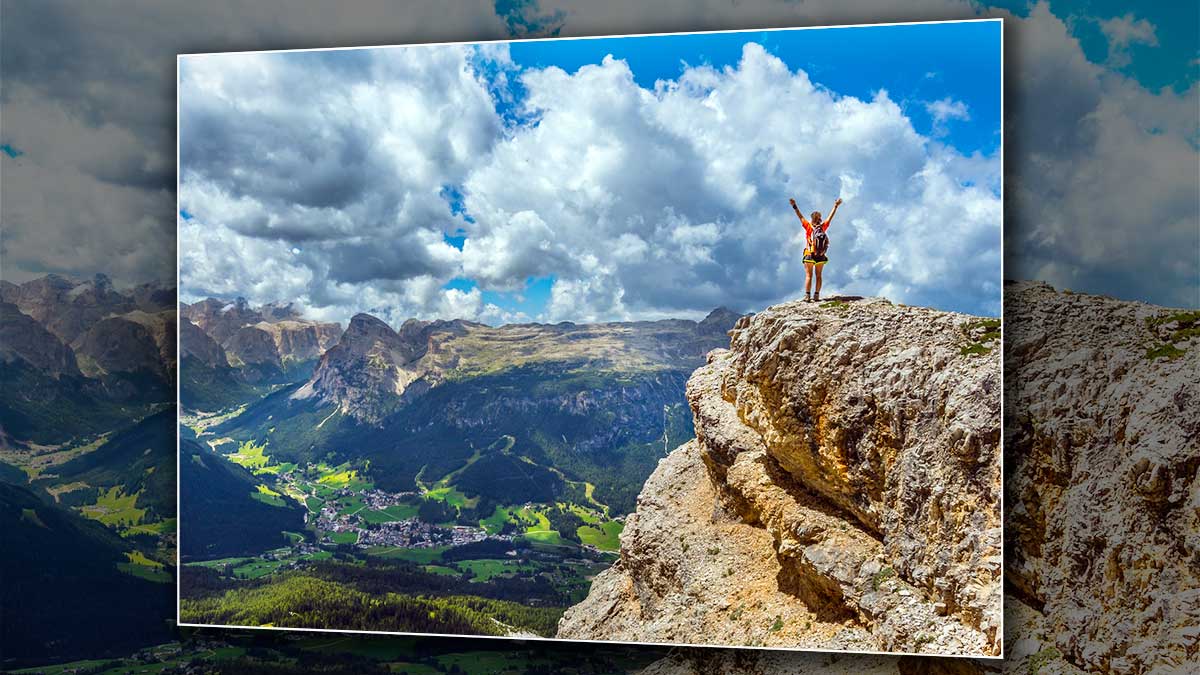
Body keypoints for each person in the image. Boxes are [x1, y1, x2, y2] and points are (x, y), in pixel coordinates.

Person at [790, 196, 842, 302]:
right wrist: (835, 206)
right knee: (819, 276)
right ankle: (817, 295)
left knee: (809, 275)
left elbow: (800, 216)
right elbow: (830, 217)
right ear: (820, 219)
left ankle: (807, 296)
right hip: (820, 255)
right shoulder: (823, 227)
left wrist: (794, 206)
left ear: (812, 218)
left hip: (809, 253)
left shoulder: (808, 226)